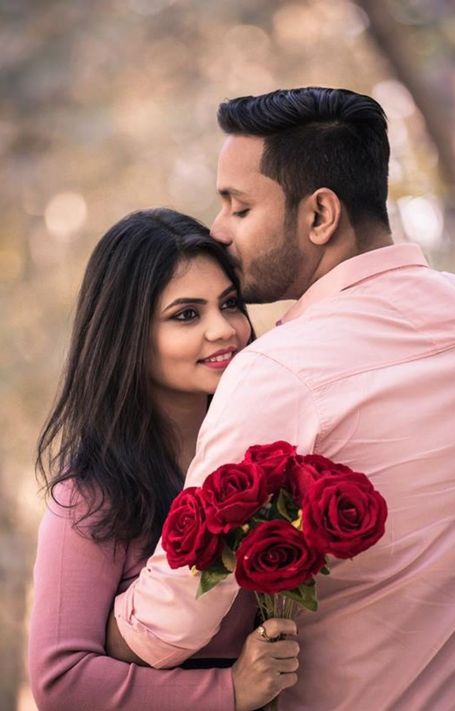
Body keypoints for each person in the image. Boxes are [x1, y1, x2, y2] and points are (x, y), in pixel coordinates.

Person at [110, 88, 455, 710]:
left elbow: (170, 625)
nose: (218, 231)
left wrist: (82, 642)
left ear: (320, 215)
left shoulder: (279, 373)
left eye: (239, 206)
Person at [28, 207, 300, 711]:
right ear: (127, 333)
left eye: (230, 303)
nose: (224, 330)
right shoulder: (91, 497)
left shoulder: (268, 464)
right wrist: (229, 691)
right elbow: (61, 680)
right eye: (186, 314)